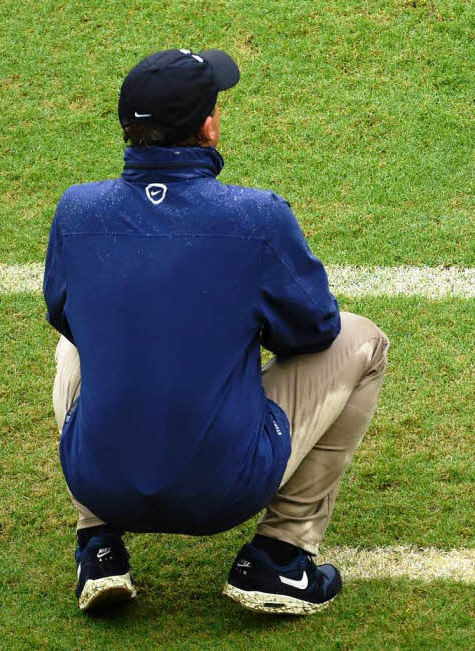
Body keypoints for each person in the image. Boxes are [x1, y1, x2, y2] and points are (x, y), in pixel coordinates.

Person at [43, 48, 390, 615]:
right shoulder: (255, 217)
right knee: (363, 340)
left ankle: (98, 542)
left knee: (77, 341)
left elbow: (64, 314)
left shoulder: (76, 210)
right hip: (223, 490)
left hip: (98, 477)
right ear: (208, 127)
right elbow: (316, 329)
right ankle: (282, 558)